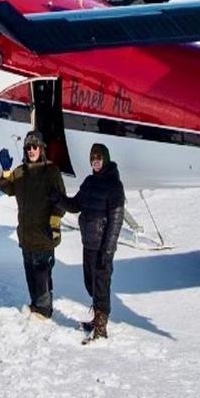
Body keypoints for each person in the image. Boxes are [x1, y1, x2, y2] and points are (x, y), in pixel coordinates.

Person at [58, 142, 125, 339]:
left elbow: (116, 220)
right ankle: (97, 317)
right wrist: (57, 198)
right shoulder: (89, 182)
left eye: (99, 158)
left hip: (102, 247)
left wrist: (108, 249)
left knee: (101, 285)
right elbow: (75, 204)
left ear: (106, 159)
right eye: (93, 159)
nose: (95, 162)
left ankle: (101, 326)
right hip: (88, 243)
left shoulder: (114, 185)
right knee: (91, 284)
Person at [0, 131, 65, 320]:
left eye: (35, 147)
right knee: (30, 273)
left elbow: (61, 202)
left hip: (44, 233)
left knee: (42, 273)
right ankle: (35, 304)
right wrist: (6, 171)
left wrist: (54, 223)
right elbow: (7, 188)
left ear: (41, 148)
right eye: (28, 147)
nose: (31, 150)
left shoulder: (51, 171)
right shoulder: (20, 171)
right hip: (26, 233)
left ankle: (44, 309)